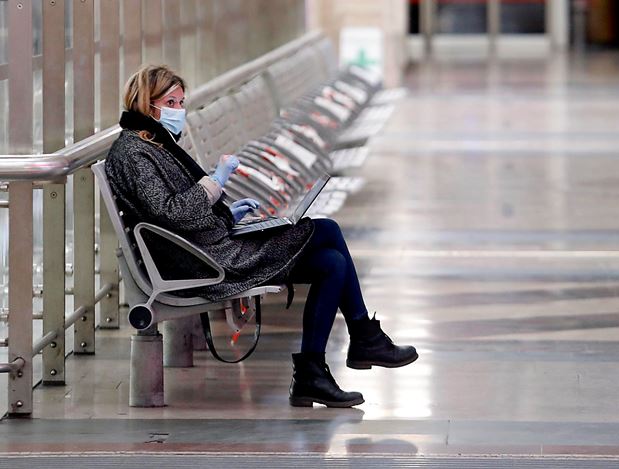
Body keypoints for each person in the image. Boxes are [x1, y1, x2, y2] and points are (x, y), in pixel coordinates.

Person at [105, 65, 417, 408]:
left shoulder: (154, 145)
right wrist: (216, 182)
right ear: (147, 104)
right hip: (203, 261)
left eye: (181, 102)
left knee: (331, 263)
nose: (179, 110)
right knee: (326, 229)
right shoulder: (135, 153)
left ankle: (316, 372)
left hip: (207, 246)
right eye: (171, 102)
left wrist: (226, 213)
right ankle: (360, 339)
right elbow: (172, 212)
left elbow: (175, 211)